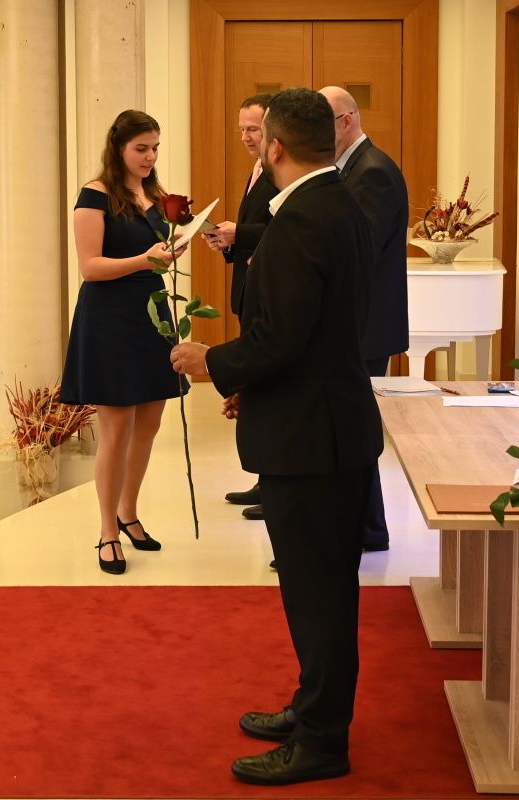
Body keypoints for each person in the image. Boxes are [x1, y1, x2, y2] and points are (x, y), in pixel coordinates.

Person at [170, 88, 382, 786]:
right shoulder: (340, 203)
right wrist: (252, 383)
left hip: (311, 438)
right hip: (326, 421)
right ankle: (313, 707)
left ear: (276, 146)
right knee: (321, 590)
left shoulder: (300, 220)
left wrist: (214, 362)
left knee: (318, 596)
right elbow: (313, 333)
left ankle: (322, 741)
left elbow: (281, 337)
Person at [59, 110, 188, 576]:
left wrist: (172, 249)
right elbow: (90, 267)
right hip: (110, 318)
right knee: (116, 429)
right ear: (119, 148)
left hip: (151, 313)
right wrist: (143, 259)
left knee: (150, 422)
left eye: (155, 148)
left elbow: (152, 255)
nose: (150, 157)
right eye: (141, 148)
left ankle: (128, 512)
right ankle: (106, 531)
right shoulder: (95, 194)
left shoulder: (153, 193)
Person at [319, 86, 409, 553]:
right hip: (357, 322)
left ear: (347, 120)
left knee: (355, 430)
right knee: (352, 428)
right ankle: (366, 528)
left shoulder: (372, 171)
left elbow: (360, 250)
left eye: (323, 123)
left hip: (364, 326)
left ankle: (365, 529)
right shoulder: (351, 167)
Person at [203, 93, 279, 522]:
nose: (246, 137)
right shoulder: (257, 168)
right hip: (248, 289)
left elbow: (280, 230)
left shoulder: (281, 171)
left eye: (253, 129)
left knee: (266, 389)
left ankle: (274, 484)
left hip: (268, 291)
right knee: (255, 390)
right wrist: (227, 242)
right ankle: (263, 477)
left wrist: (241, 233)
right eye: (242, 130)